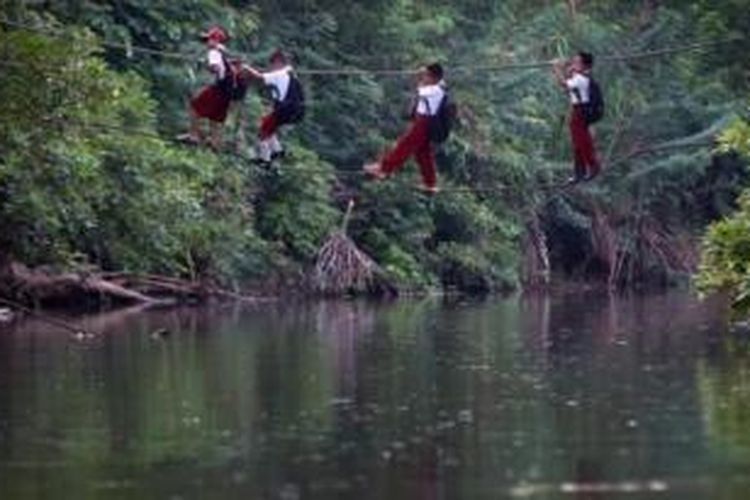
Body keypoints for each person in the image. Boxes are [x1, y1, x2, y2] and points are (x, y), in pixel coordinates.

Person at [363, 63, 446, 195]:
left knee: (405, 145)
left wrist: (419, 76)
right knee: (423, 154)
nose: (424, 78)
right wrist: (423, 74)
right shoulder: (436, 86)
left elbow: (419, 90)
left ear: (433, 78)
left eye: (426, 76)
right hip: (421, 120)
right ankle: (430, 184)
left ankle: (384, 169)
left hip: (424, 123)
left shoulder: (435, 89)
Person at [178, 26, 237, 150]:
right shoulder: (223, 53)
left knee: (195, 106)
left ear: (215, 40)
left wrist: (209, 67)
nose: (206, 42)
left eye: (208, 39)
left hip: (219, 89)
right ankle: (215, 144)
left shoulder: (213, 52)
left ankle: (193, 136)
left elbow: (215, 68)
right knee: (215, 117)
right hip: (228, 93)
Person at [242, 50, 305, 166]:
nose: (271, 67)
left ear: (278, 62)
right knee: (267, 125)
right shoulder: (291, 74)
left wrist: (246, 68)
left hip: (284, 109)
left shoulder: (279, 74)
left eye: (272, 63)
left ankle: (265, 160)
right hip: (294, 109)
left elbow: (259, 77)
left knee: (263, 131)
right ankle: (277, 151)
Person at [554, 51, 601, 184]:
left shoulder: (580, 79)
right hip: (579, 111)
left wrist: (556, 68)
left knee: (582, 141)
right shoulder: (580, 77)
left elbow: (563, 84)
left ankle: (593, 166)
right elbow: (568, 87)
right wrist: (566, 69)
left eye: (576, 62)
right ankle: (579, 172)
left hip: (580, 111)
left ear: (584, 66)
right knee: (578, 143)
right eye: (573, 61)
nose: (573, 64)